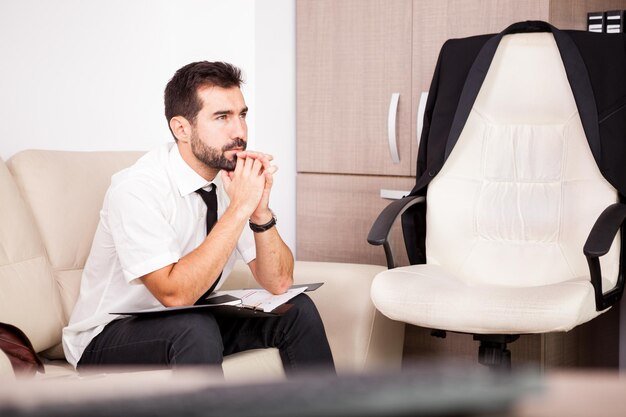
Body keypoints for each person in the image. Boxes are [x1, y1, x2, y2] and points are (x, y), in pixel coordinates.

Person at [62, 61, 335, 376]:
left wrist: (259, 210)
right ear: (181, 128)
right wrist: (238, 208)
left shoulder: (229, 182)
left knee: (295, 310)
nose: (239, 132)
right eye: (222, 118)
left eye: (242, 115)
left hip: (191, 319)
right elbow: (175, 294)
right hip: (108, 335)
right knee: (193, 327)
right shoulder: (137, 188)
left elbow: (279, 281)